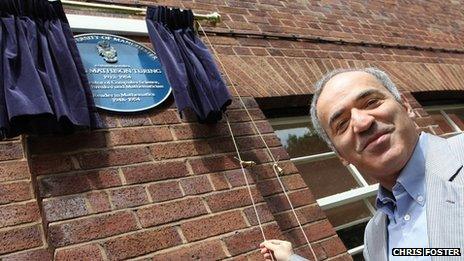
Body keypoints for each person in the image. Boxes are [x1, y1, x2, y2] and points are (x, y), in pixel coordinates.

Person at [260, 68, 464, 261]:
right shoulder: (373, 237)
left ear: (405, 106)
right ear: (341, 155)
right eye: (341, 124)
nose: (362, 122)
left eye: (372, 102)